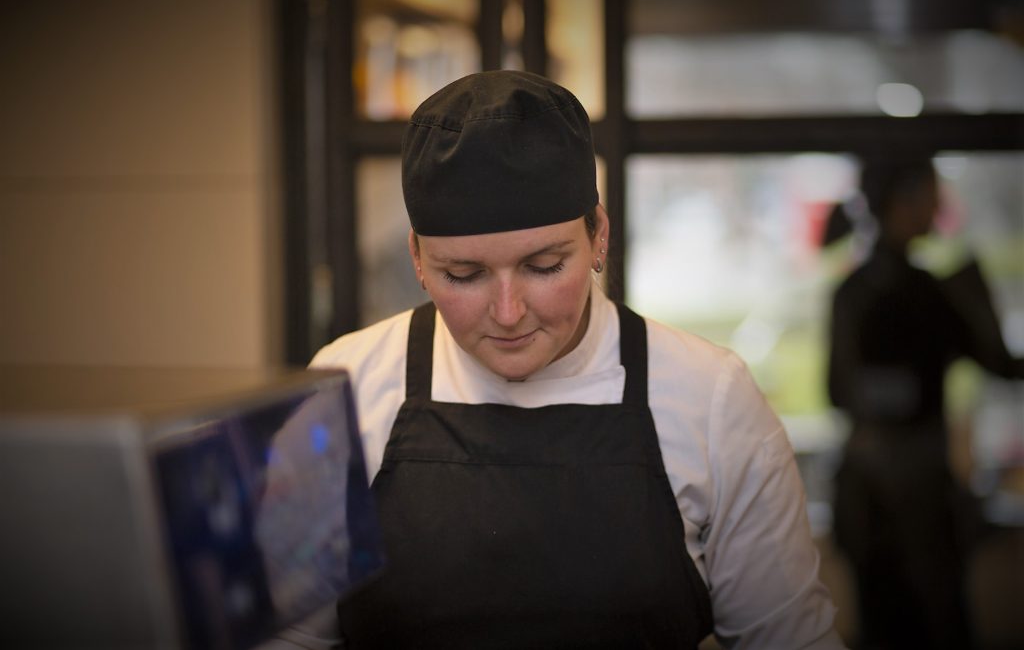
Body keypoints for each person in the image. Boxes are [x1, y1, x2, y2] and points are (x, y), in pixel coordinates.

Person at [297, 70, 843, 649]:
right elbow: (286, 637)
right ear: (418, 258)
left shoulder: (711, 399)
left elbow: (788, 638)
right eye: (464, 275)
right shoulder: (345, 389)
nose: (508, 312)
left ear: (598, 236)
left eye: (544, 266)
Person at [826, 155, 1024, 650]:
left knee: (883, 620)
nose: (939, 205)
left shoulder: (853, 291)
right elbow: (1000, 362)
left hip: (868, 486)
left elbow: (837, 392)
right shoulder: (931, 292)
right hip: (918, 487)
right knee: (937, 620)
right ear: (904, 202)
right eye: (931, 194)